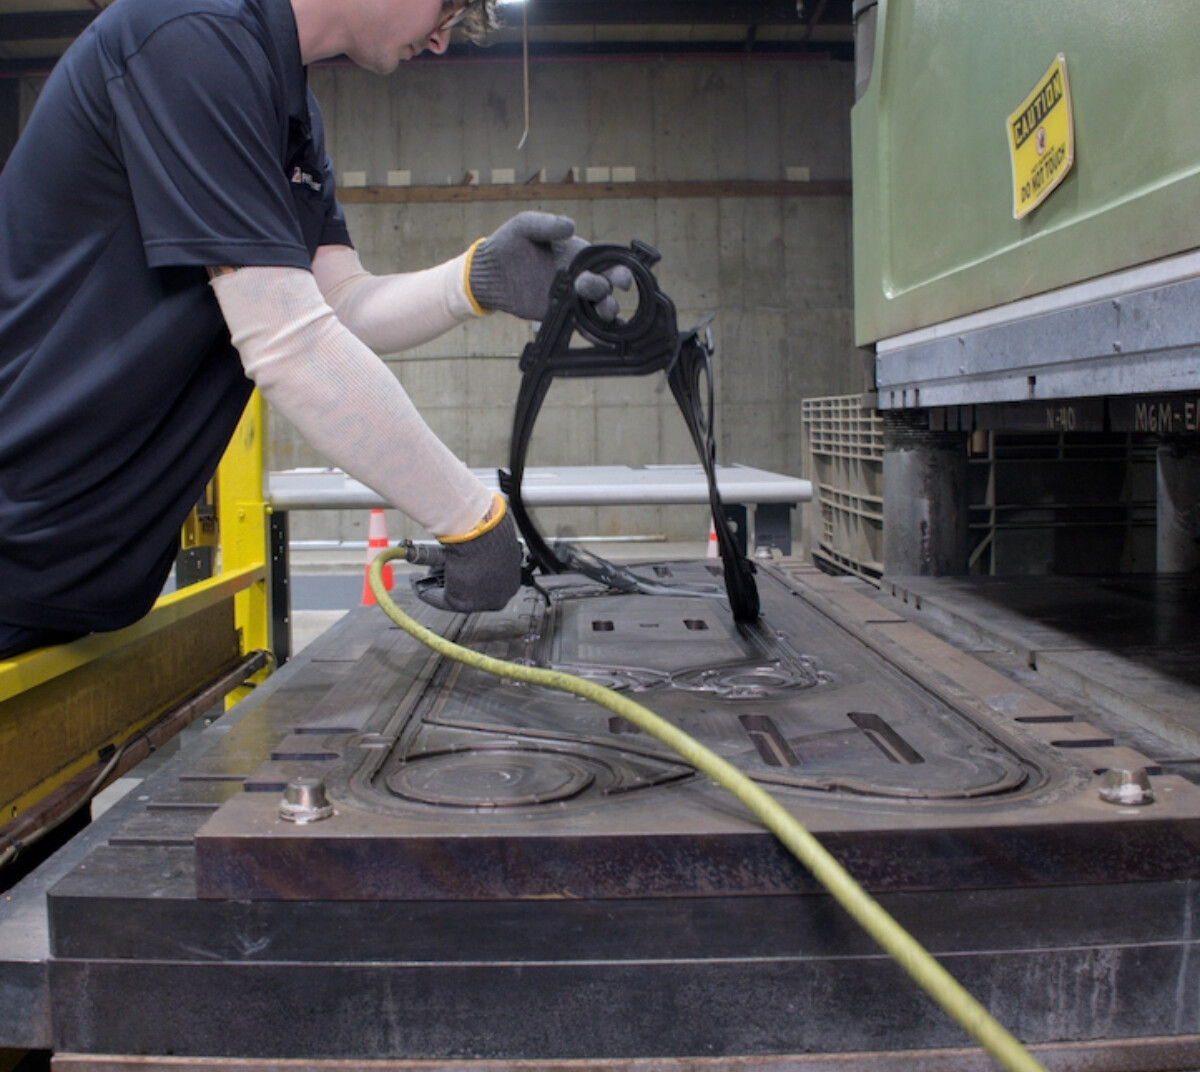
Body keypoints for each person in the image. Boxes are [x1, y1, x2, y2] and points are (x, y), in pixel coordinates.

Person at [0, 0, 628, 660]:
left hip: (75, 566)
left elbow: (341, 305)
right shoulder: (189, 34)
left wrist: (477, 279)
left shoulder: (288, 110)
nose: (443, 40)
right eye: (448, 6)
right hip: (19, 532)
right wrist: (467, 517)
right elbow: (288, 342)